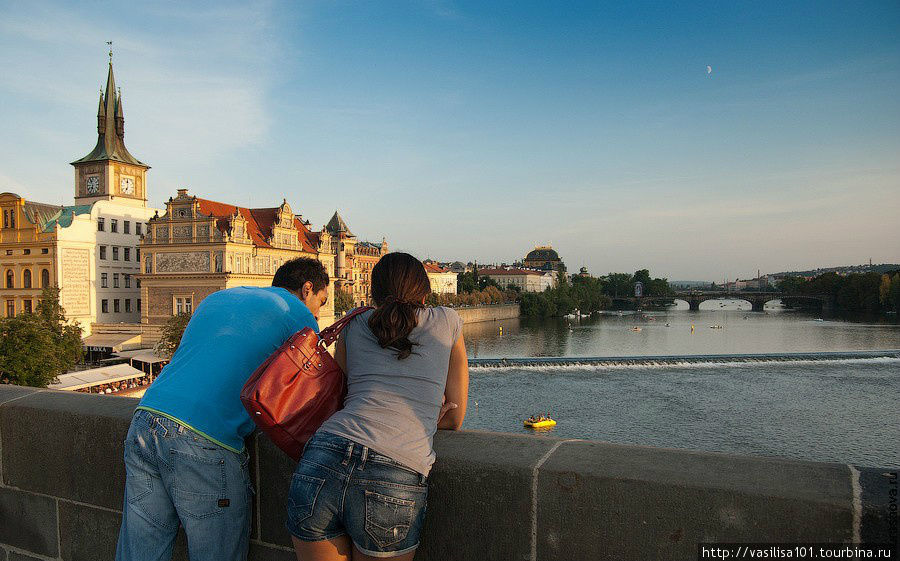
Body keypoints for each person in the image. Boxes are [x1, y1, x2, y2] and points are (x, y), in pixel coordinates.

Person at [115, 257, 330, 561]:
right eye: (320, 302)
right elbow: (308, 391)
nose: (318, 316)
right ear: (308, 289)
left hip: (146, 418)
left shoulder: (219, 297)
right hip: (203, 437)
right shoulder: (296, 315)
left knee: (141, 553)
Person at [288, 252, 469, 561]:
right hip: (395, 472)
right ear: (423, 290)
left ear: (374, 291)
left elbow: (343, 390)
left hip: (323, 458)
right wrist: (425, 413)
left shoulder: (355, 323)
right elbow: (455, 418)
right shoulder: (447, 321)